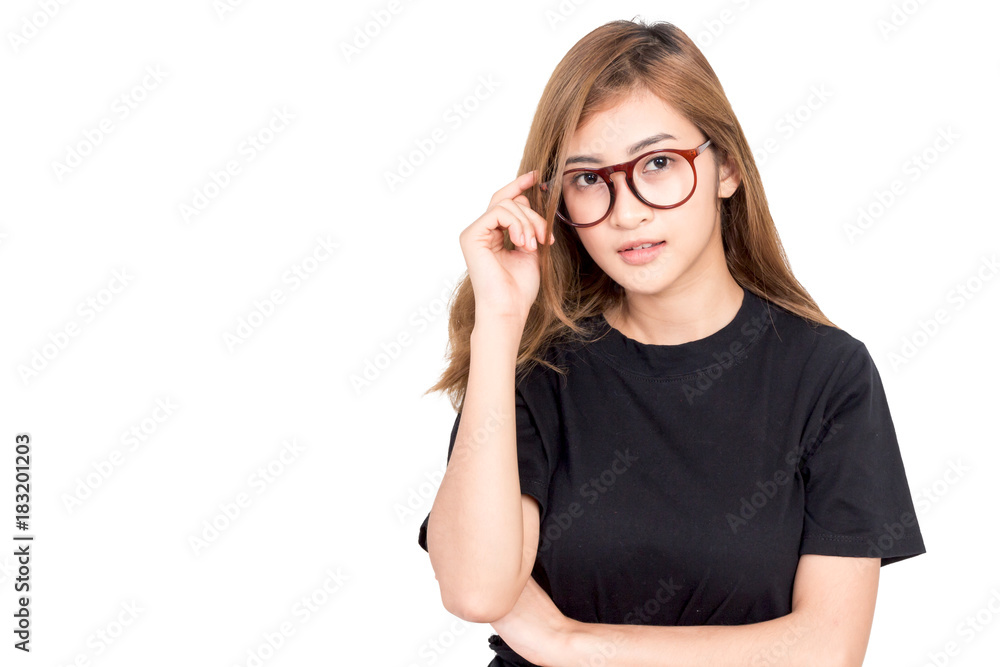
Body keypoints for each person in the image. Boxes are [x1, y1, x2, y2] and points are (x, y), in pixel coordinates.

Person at [416, 18, 925, 667]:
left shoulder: (828, 375)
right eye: (588, 178)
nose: (626, 211)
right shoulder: (534, 367)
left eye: (658, 163)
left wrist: (567, 642)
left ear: (728, 168)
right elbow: (474, 588)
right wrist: (498, 320)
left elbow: (826, 650)